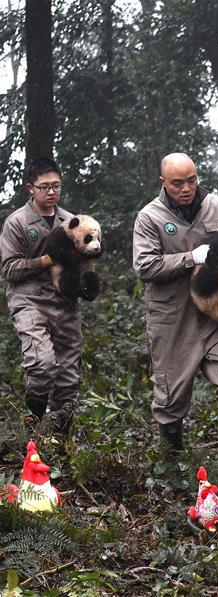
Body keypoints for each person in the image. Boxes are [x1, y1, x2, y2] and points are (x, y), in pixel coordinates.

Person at [132, 152, 218, 463]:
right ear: (164, 183)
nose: (186, 188)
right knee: (170, 392)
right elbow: (145, 266)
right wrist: (192, 257)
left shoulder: (216, 206)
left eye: (192, 180)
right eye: (177, 183)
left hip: (214, 311)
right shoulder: (149, 217)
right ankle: (172, 459)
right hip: (172, 315)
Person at [0, 157, 83, 436]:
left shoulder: (71, 221)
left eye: (56, 186)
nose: (51, 192)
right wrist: (47, 260)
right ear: (30, 189)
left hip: (64, 302)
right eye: (45, 187)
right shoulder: (18, 222)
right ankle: (31, 432)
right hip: (29, 300)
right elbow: (9, 269)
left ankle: (57, 444)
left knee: (69, 378)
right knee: (43, 366)